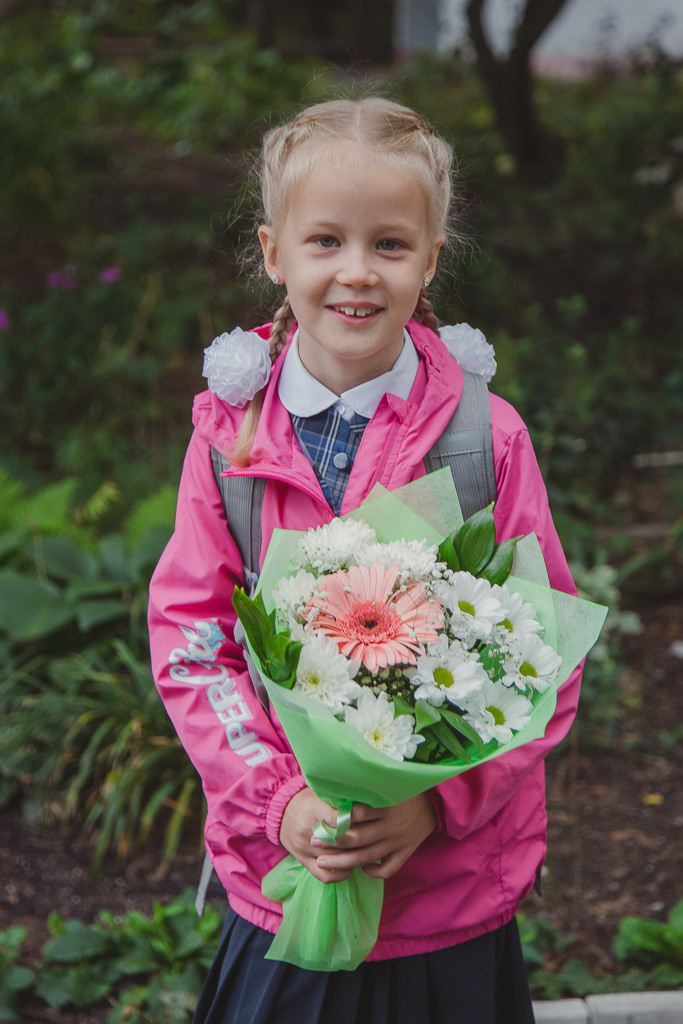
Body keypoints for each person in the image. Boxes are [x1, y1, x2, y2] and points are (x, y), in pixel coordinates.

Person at [148, 97, 581, 1024]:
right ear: (273, 253)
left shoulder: (484, 442)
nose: (356, 273)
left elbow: (542, 657)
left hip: (445, 901)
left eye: (389, 245)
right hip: (285, 882)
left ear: (429, 259)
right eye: (324, 242)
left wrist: (438, 801)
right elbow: (194, 643)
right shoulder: (229, 443)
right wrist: (280, 805)